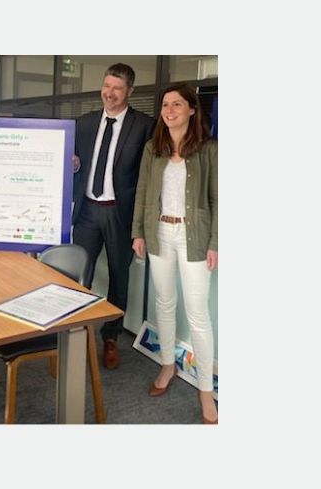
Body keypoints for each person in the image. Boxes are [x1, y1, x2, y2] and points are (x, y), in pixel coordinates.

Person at [131, 83, 218, 424]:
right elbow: (141, 192)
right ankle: (167, 365)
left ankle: (205, 391)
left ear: (192, 110)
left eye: (177, 104)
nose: (169, 110)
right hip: (159, 233)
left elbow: (220, 199)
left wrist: (216, 242)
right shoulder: (154, 148)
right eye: (165, 104)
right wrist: (138, 231)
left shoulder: (210, 150)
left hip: (193, 235)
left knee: (198, 314)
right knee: (164, 304)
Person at [71, 63, 155, 369]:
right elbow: (76, 165)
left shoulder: (145, 126)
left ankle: (110, 338)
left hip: (121, 216)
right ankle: (76, 334)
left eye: (117, 88)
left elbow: (150, 177)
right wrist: (74, 165)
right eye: (107, 86)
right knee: (80, 276)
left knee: (119, 279)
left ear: (129, 91)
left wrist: (141, 227)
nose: (110, 93)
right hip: (87, 213)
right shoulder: (84, 123)